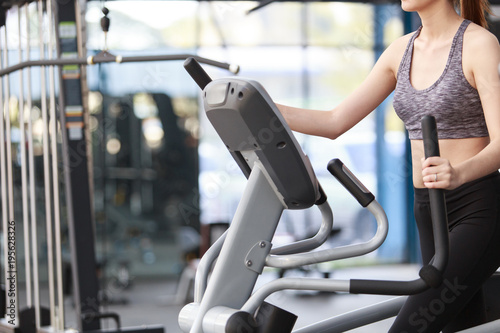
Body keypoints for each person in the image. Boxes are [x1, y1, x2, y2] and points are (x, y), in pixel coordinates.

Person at [277, 0, 500, 332]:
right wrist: (258, 103)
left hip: (478, 207)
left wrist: (458, 173)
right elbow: (335, 121)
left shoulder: (479, 44)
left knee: (413, 324)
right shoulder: (401, 51)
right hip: (427, 210)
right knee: (455, 322)